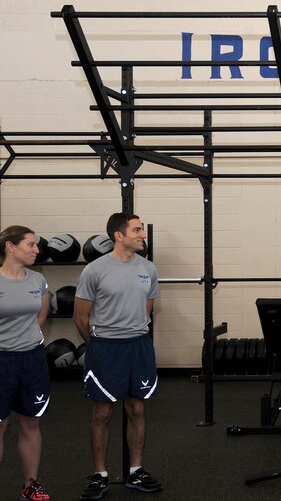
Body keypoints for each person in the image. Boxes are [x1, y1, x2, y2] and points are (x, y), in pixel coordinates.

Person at [74, 213, 161, 500]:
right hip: (106, 347)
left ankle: (136, 470)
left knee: (137, 408)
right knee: (102, 412)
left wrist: (132, 332)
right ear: (119, 236)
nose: (142, 234)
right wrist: (98, 344)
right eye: (136, 230)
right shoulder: (95, 270)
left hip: (138, 346)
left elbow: (147, 310)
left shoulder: (148, 268)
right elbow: (80, 317)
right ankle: (99, 474)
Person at [0, 226, 52, 501]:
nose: (36, 250)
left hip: (32, 358)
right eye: (30, 244)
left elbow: (40, 317)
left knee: (31, 423)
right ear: (10, 247)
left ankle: (31, 485)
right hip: (1, 360)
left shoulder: (38, 280)